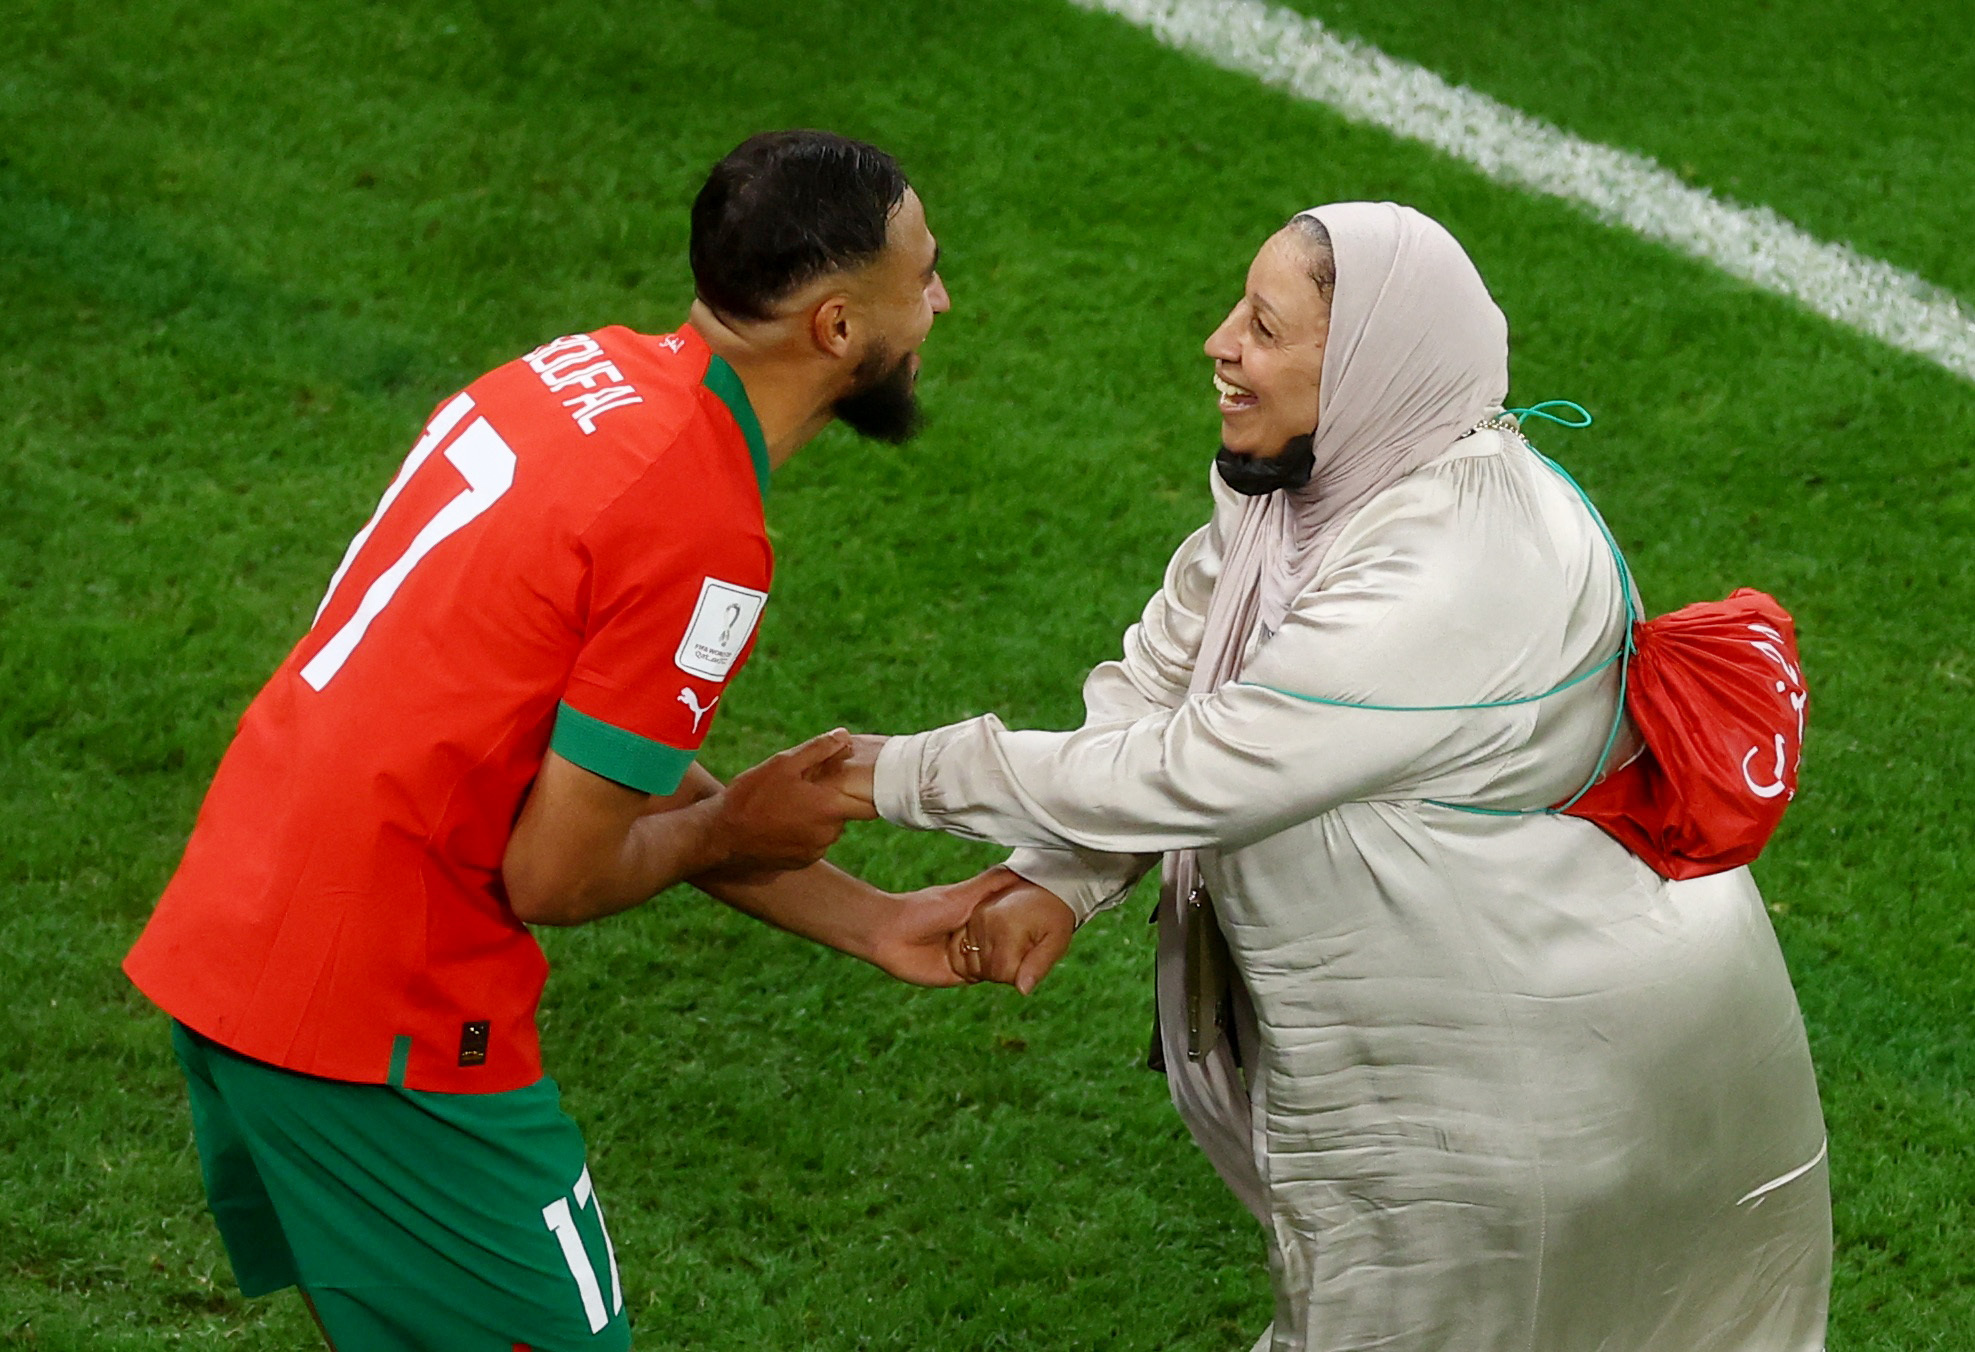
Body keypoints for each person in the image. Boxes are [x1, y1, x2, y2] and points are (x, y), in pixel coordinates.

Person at [838, 203, 1832, 1350]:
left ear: (1364, 364)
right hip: (1478, 1047)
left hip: (1550, 1090)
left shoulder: (1460, 562)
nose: (1217, 342)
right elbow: (1164, 677)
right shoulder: (1305, 499)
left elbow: (1205, 764)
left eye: (1262, 326)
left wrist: (890, 775)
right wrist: (1058, 879)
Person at [122, 129, 1001, 1351]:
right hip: (379, 1007)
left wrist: (871, 917)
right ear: (838, 328)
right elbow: (558, 870)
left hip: (245, 923)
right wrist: (730, 826)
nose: (942, 300)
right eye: (926, 274)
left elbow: (595, 762)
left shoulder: (581, 375)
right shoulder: (701, 527)